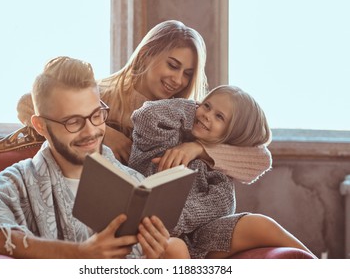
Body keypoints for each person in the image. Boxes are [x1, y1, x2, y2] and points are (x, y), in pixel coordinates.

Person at [0, 56, 189, 259]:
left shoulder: (135, 183)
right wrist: (78, 254)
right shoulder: (17, 181)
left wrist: (158, 257)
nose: (91, 131)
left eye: (96, 115)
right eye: (73, 122)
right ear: (40, 126)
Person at [16, 20, 272, 185]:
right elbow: (27, 105)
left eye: (187, 74)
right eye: (173, 66)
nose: (178, 80)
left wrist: (196, 149)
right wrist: (106, 133)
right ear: (148, 54)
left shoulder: (187, 114)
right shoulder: (101, 94)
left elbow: (260, 159)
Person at [128, 85, 317, 259]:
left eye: (220, 117)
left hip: (193, 238)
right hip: (144, 225)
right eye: (207, 106)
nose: (207, 115)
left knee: (260, 223)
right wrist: (192, 109)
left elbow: (221, 206)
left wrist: (173, 218)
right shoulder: (167, 137)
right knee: (172, 247)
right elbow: (147, 115)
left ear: (233, 133)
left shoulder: (217, 171)